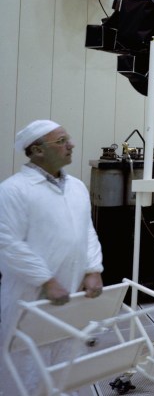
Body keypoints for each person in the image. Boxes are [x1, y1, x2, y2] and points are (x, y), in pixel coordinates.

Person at [0, 120, 104, 394]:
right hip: (30, 295)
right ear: (37, 150)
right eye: (60, 141)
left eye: (67, 139)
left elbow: (86, 231)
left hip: (70, 294)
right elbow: (8, 243)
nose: (70, 145)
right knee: (26, 364)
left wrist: (93, 269)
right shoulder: (14, 190)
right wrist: (45, 280)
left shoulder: (77, 187)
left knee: (67, 363)